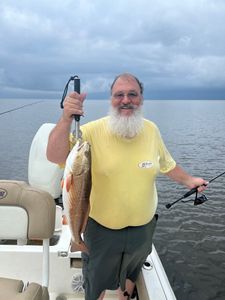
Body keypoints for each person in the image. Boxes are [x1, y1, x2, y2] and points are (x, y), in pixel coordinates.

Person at [47, 73, 207, 300]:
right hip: (101, 231)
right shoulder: (90, 132)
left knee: (131, 274)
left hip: (142, 231)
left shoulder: (151, 130)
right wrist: (65, 119)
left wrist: (190, 181)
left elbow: (167, 164)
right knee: (97, 282)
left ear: (141, 99)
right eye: (119, 95)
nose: (126, 100)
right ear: (110, 99)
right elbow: (54, 156)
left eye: (132, 94)